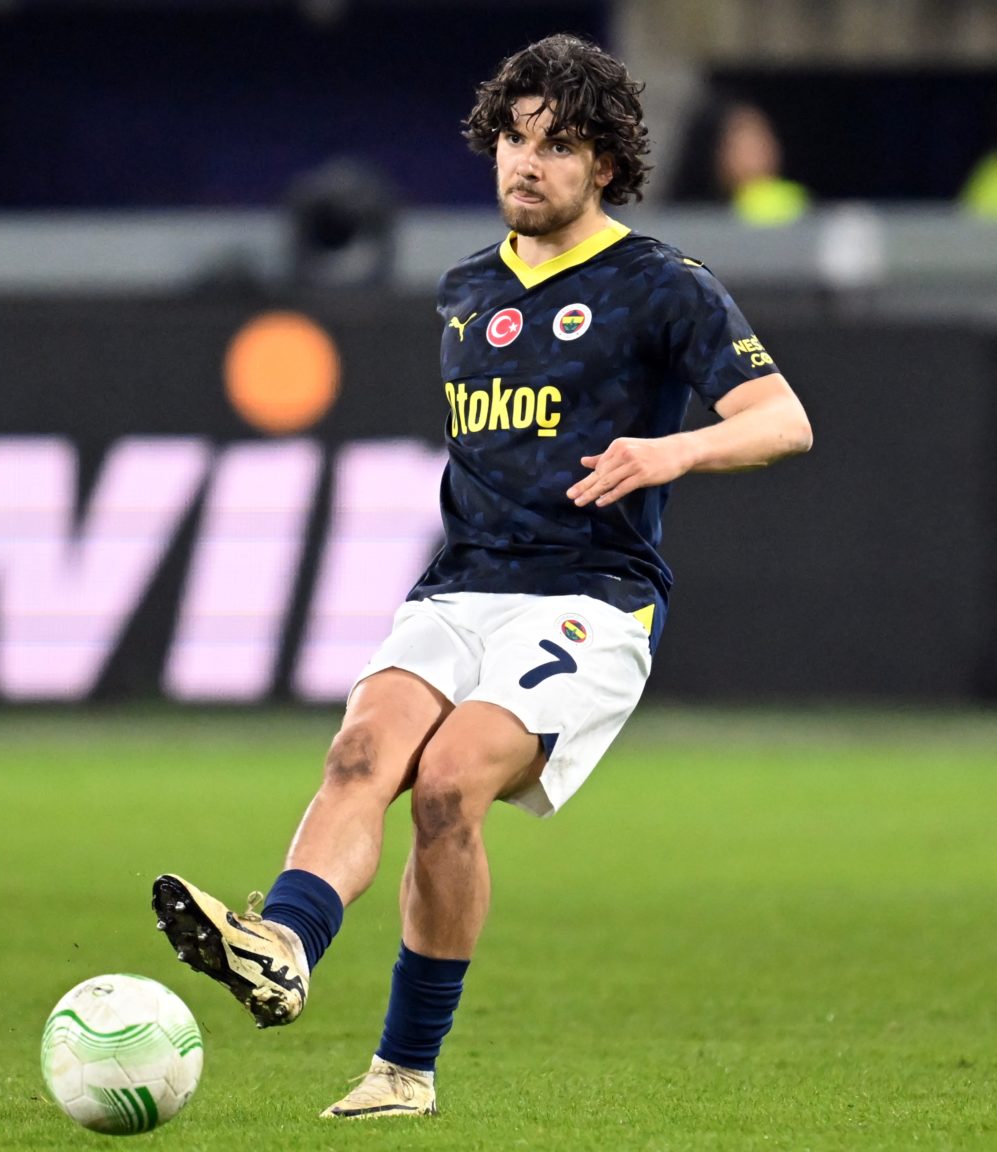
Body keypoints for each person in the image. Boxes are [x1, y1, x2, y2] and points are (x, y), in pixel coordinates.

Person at [152, 33, 812, 1119]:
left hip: (592, 601)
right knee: (362, 752)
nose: (526, 160)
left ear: (605, 163)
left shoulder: (662, 286)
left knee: (451, 784)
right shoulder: (466, 290)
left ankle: (405, 1068)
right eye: (513, 136)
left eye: (557, 143)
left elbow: (785, 419)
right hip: (460, 587)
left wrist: (673, 449)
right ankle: (281, 943)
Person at [670, 95, 810, 226]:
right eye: (743, 144)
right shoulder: (692, 217)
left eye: (762, 139)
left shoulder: (794, 203)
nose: (760, 150)